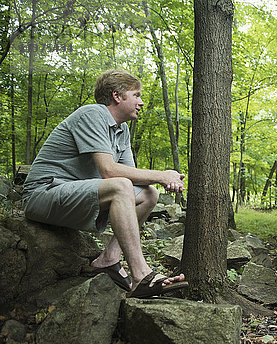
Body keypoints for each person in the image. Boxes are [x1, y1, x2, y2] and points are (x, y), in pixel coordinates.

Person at [23, 69, 188, 298]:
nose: (141, 102)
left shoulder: (122, 131)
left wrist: (163, 178)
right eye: (136, 95)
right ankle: (141, 274)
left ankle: (109, 259)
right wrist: (162, 175)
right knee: (120, 186)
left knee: (149, 194)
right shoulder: (92, 114)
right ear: (117, 96)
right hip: (43, 193)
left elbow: (132, 175)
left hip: (73, 197)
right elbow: (109, 172)